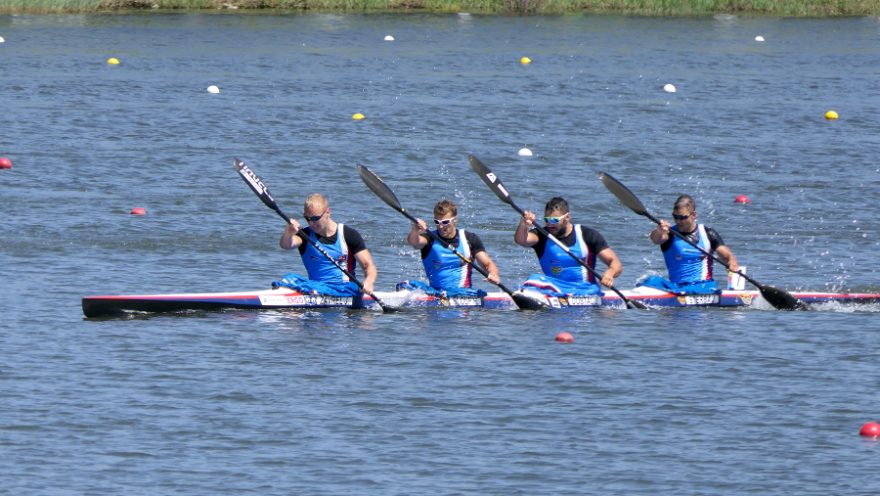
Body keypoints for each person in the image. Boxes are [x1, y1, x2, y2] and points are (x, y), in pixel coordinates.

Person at [273, 193, 378, 296]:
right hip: (315, 287)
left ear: (328, 212)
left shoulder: (348, 234)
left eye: (315, 218)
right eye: (307, 218)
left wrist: (369, 282)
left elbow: (368, 265)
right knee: (290, 278)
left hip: (345, 289)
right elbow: (286, 244)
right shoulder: (305, 236)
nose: (311, 223)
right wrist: (288, 232)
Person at [515, 197, 623, 296]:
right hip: (555, 288)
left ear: (567, 217)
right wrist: (524, 225)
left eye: (554, 220)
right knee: (533, 280)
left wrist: (610, 273)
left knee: (534, 282)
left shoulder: (587, 235)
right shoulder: (542, 235)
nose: (549, 224)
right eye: (546, 220)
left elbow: (615, 263)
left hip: (585, 290)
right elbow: (521, 240)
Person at [400, 199, 501, 297]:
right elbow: (414, 242)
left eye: (445, 222)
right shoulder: (430, 238)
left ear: (455, 220)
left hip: (463, 295)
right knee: (405, 284)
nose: (440, 226)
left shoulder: (469, 239)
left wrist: (493, 274)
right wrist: (415, 229)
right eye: (437, 222)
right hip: (436, 293)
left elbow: (487, 264)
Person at [642, 194, 739, 294]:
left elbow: (728, 257)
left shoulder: (707, 234)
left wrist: (732, 263)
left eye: (682, 217)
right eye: (675, 217)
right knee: (651, 280)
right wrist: (659, 231)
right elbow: (656, 239)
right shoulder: (669, 234)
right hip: (676, 287)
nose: (678, 221)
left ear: (693, 215)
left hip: (703, 286)